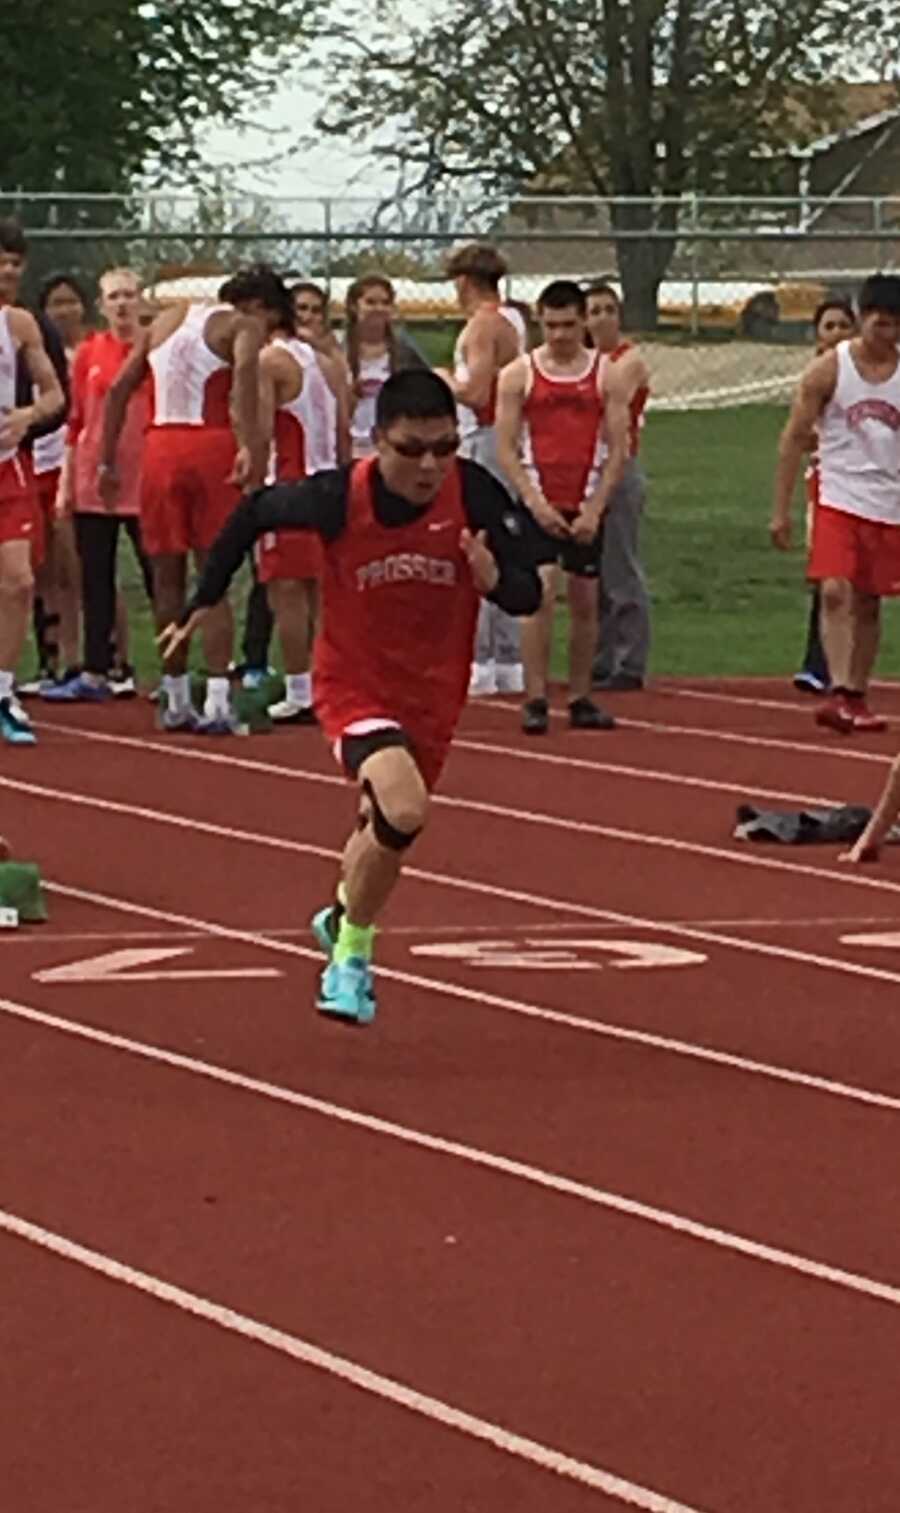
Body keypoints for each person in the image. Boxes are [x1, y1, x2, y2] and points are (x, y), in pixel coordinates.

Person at [160, 370, 541, 1023]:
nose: (429, 466)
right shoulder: (340, 497)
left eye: (444, 448)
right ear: (378, 442)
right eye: (412, 448)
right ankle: (349, 961)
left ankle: (341, 917)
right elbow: (253, 512)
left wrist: (497, 577)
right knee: (403, 803)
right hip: (354, 681)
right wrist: (205, 597)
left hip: (432, 693)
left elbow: (528, 589)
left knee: (388, 828)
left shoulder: (473, 493)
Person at [100, 263, 286, 733]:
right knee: (215, 573)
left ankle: (176, 692)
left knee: (165, 576)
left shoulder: (164, 320)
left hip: (160, 446)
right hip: (210, 445)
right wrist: (249, 447)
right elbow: (244, 382)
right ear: (258, 308)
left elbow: (119, 388)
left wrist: (106, 458)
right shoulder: (239, 326)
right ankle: (219, 695)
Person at [495, 279, 631, 734]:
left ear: (583, 321)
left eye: (569, 325)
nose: (559, 335)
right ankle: (535, 697)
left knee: (586, 599)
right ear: (540, 322)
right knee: (540, 594)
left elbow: (618, 446)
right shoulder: (519, 375)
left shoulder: (607, 374)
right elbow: (507, 448)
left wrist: (595, 507)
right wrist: (534, 503)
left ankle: (580, 695)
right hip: (539, 496)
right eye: (551, 326)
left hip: (586, 495)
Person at [771, 272, 900, 734]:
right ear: (862, 318)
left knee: (869, 602)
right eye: (877, 323)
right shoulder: (829, 369)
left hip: (888, 500)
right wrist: (781, 509)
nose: (883, 334)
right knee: (834, 590)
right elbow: (792, 438)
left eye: (893, 325)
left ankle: (857, 693)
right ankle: (840, 690)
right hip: (837, 494)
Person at [43, 268, 154, 702]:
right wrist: (67, 484)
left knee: (156, 574)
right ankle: (95, 668)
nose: (123, 304)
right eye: (114, 297)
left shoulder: (154, 351)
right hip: (95, 478)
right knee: (95, 575)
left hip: (143, 476)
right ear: (102, 305)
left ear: (141, 300)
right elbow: (77, 422)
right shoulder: (91, 352)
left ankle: (172, 671)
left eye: (129, 295)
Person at [256, 312, 351, 724]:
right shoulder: (328, 362)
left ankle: (300, 688)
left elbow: (258, 430)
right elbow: (344, 429)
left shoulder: (269, 362)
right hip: (328, 479)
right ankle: (326, 681)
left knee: (288, 591)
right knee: (320, 592)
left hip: (289, 483)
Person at [443, 242, 527, 697]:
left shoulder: (482, 325)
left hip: (483, 436)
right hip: (505, 436)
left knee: (477, 540)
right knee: (501, 538)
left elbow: (476, 392)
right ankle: (507, 657)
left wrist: (443, 380)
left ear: (464, 282)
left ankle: (484, 658)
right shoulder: (512, 320)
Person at [0, 226, 66, 744]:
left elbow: (54, 395)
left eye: (17, 263)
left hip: (6, 465)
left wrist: (27, 415)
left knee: (19, 580)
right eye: (2, 262)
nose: (10, 273)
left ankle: (2, 692)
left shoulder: (20, 323)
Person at [584, 282, 652, 692]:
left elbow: (608, 399)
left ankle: (630, 659)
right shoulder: (583, 361)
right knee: (592, 572)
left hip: (619, 468)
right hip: (583, 471)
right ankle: (602, 655)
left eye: (609, 309)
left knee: (621, 566)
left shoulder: (628, 361)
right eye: (594, 311)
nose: (602, 318)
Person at [791, 297, 857, 695]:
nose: (835, 334)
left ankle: (840, 667)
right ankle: (819, 664)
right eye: (828, 326)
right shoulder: (815, 378)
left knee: (854, 584)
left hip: (869, 488)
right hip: (825, 485)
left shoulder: (867, 375)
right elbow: (799, 436)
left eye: (842, 326)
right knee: (828, 580)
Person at [342, 274, 428, 459]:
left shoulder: (404, 349)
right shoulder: (338, 350)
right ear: (353, 306)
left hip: (392, 446)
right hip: (350, 445)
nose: (378, 309)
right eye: (370, 302)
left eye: (385, 303)